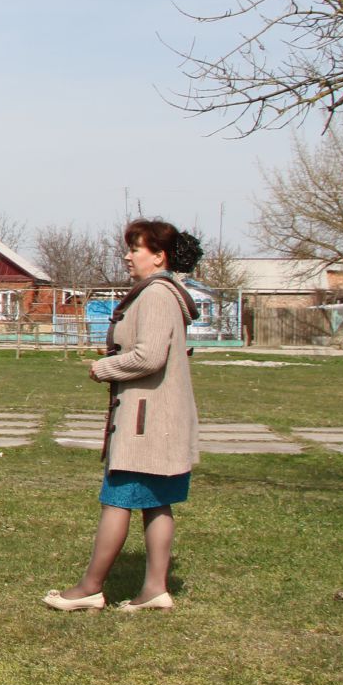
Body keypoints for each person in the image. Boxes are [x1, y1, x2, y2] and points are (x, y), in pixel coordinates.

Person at [44, 218, 203, 612]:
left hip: (145, 422)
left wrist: (105, 368)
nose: (128, 256)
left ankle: (90, 588)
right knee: (155, 502)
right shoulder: (165, 293)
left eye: (136, 249)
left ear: (158, 256)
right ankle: (154, 589)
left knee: (117, 500)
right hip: (157, 418)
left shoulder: (156, 295)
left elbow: (150, 356)